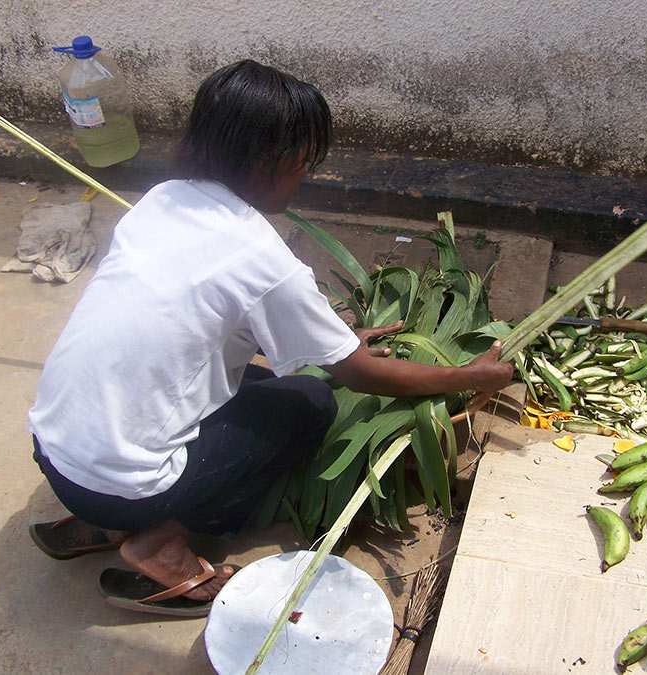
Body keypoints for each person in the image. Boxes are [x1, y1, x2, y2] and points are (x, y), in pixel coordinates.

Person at [27, 59, 513, 616]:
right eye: (302, 162)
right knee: (308, 402)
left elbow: (192, 322)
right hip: (120, 484)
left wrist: (331, 336)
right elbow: (360, 373)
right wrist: (466, 375)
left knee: (251, 381)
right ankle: (159, 539)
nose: (305, 175)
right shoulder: (259, 257)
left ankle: (105, 516)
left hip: (53, 449)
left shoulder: (163, 200)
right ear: (268, 163)